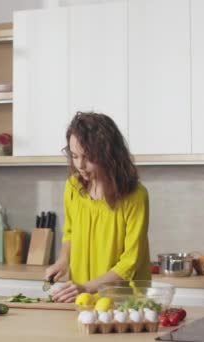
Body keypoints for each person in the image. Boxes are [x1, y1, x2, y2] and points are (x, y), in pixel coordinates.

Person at [46, 112, 151, 303]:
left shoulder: (135, 196)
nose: (80, 165)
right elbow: (70, 233)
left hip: (124, 303)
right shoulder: (73, 187)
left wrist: (86, 287)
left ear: (108, 153)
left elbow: (130, 262)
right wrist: (63, 260)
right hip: (80, 298)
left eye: (87, 157)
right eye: (75, 156)